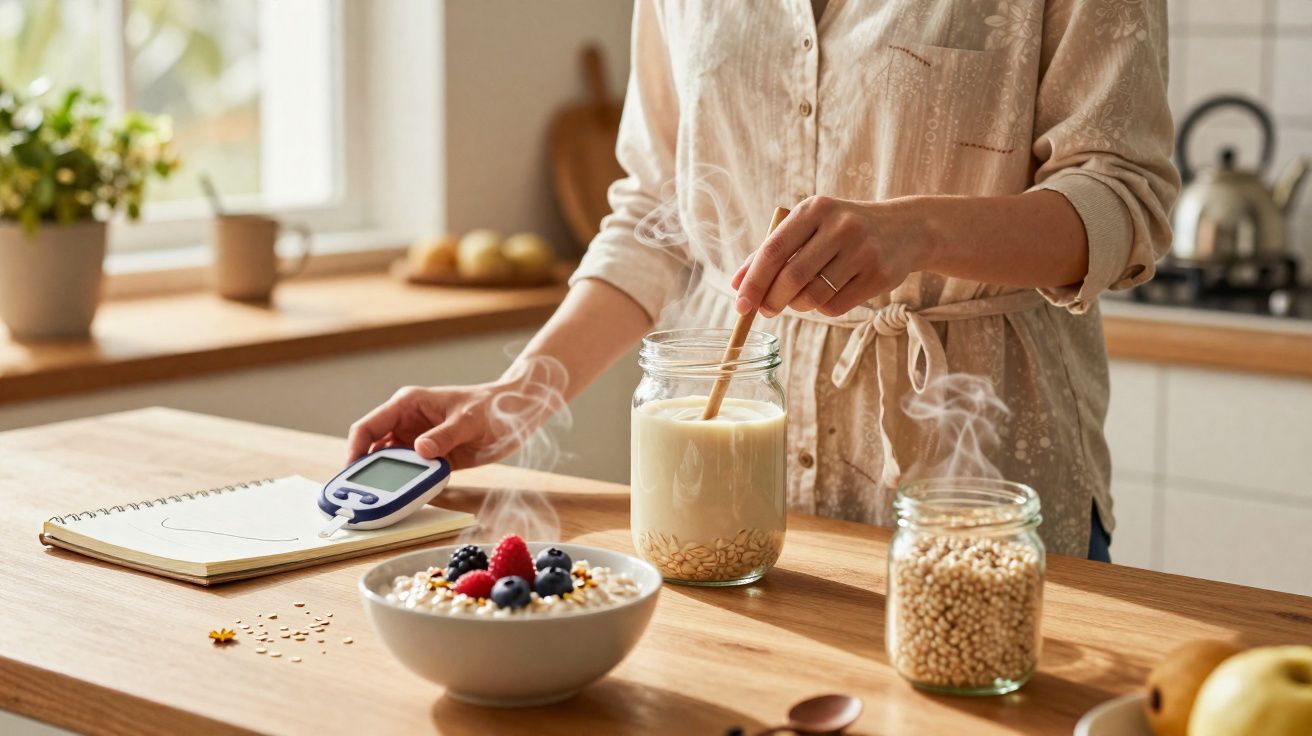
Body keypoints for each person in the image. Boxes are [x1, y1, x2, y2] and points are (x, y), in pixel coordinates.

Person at [348, 0, 1179, 560]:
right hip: (729, 469)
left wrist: (919, 231)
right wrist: (514, 394)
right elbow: (656, 212)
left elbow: (1123, 199)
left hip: (980, 473)